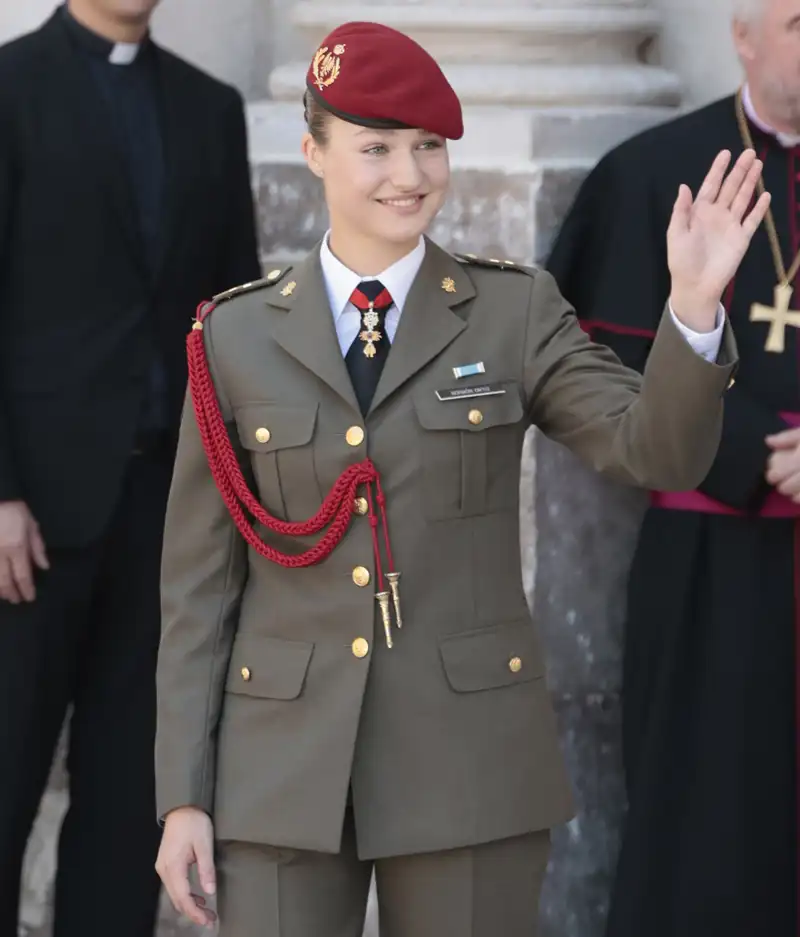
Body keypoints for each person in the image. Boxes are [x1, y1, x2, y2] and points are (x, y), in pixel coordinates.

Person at [154, 20, 764, 937]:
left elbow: (656, 452)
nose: (410, 173)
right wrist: (182, 797)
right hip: (280, 768)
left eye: (429, 145)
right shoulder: (234, 336)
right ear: (313, 152)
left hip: (467, 759)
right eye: (377, 147)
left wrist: (692, 308)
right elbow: (198, 591)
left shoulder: (513, 311)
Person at [0, 1, 261, 934]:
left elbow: (234, 311)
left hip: (167, 512)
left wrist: (239, 498)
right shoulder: (11, 87)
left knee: (127, 803)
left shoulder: (211, 106)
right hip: (29, 518)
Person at [545, 0, 800, 934]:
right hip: (709, 565)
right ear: (741, 34)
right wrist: (752, 453)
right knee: (706, 821)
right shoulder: (654, 173)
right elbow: (595, 362)